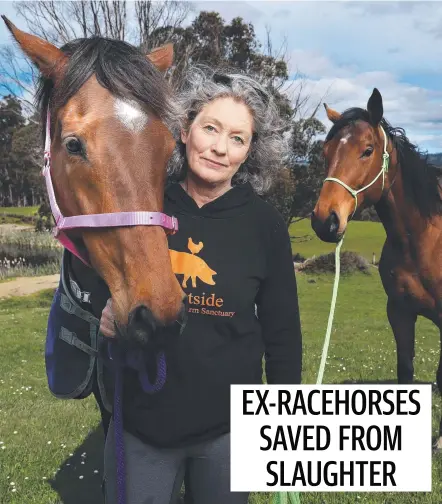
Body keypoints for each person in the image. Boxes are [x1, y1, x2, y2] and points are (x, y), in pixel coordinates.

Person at [62, 66, 302, 504]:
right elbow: (98, 264)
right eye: (210, 128)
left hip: (229, 431)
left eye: (237, 138)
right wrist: (103, 308)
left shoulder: (264, 225)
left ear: (250, 152)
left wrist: (286, 423)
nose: (219, 148)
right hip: (143, 425)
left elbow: (282, 330)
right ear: (185, 129)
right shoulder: (145, 201)